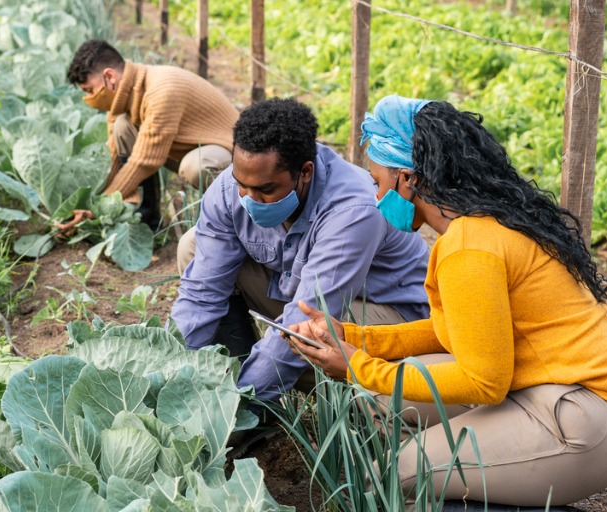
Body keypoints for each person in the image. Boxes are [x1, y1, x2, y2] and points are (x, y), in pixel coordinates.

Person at [287, 96, 607, 507]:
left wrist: (358, 366)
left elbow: (484, 381)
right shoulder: (481, 223)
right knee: (381, 397)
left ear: (408, 179)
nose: (375, 197)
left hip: (584, 418)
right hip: (544, 388)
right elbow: (459, 330)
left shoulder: (470, 246)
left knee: (403, 472)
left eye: (378, 182)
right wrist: (356, 338)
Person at [171, 97, 431, 402]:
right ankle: (231, 382)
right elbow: (201, 295)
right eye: (242, 183)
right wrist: (170, 374)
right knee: (193, 246)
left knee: (308, 331)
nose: (248, 198)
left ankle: (259, 401)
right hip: (310, 296)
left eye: (266, 190)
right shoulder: (232, 188)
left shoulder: (353, 210)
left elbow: (303, 323)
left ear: (305, 172)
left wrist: (237, 410)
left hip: (386, 315)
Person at [65, 39, 240, 231]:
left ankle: (240, 217)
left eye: (90, 90)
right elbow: (113, 157)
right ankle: (148, 220)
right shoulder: (120, 101)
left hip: (231, 153)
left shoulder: (161, 90)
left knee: (196, 166)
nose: (89, 98)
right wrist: (93, 202)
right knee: (124, 126)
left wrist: (98, 207)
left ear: (110, 76)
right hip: (191, 146)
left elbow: (144, 161)